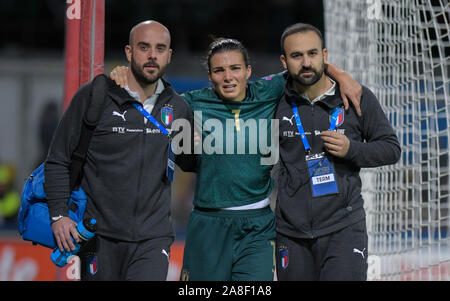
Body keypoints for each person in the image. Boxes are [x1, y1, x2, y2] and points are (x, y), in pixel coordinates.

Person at [111, 35, 362, 280]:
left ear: (248, 70)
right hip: (208, 225)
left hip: (258, 226)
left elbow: (306, 66)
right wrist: (124, 75)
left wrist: (341, 75)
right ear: (209, 77)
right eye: (219, 71)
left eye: (235, 68)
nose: (228, 77)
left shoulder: (268, 91)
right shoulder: (191, 104)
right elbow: (147, 93)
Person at [44, 20, 195, 281]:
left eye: (160, 49)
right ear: (128, 52)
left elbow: (191, 162)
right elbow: (58, 160)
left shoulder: (179, 108)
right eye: (144, 47)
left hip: (153, 238)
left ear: (169, 56)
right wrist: (59, 215)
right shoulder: (95, 97)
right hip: (97, 238)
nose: (151, 55)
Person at [275, 23, 401, 281]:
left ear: (325, 55)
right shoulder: (273, 99)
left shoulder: (355, 97)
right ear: (284, 61)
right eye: (297, 56)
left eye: (312, 53)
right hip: (290, 232)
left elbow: (391, 148)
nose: (306, 62)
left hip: (344, 228)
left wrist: (351, 149)